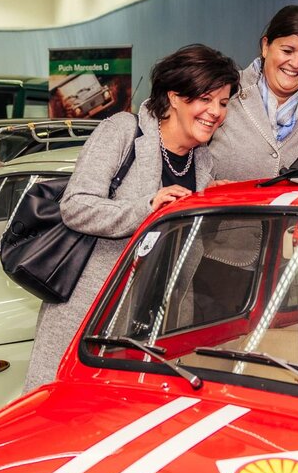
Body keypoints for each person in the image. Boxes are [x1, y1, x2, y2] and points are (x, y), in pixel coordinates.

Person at [23, 43, 239, 391]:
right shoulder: (123, 131)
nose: (215, 112)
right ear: (174, 97)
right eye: (205, 99)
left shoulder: (202, 163)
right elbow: (75, 205)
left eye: (224, 103)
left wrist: (211, 201)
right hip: (90, 316)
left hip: (152, 327)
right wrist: (146, 208)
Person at [209, 4, 298, 181]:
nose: (295, 63)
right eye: (287, 51)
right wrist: (205, 184)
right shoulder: (226, 89)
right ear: (265, 47)